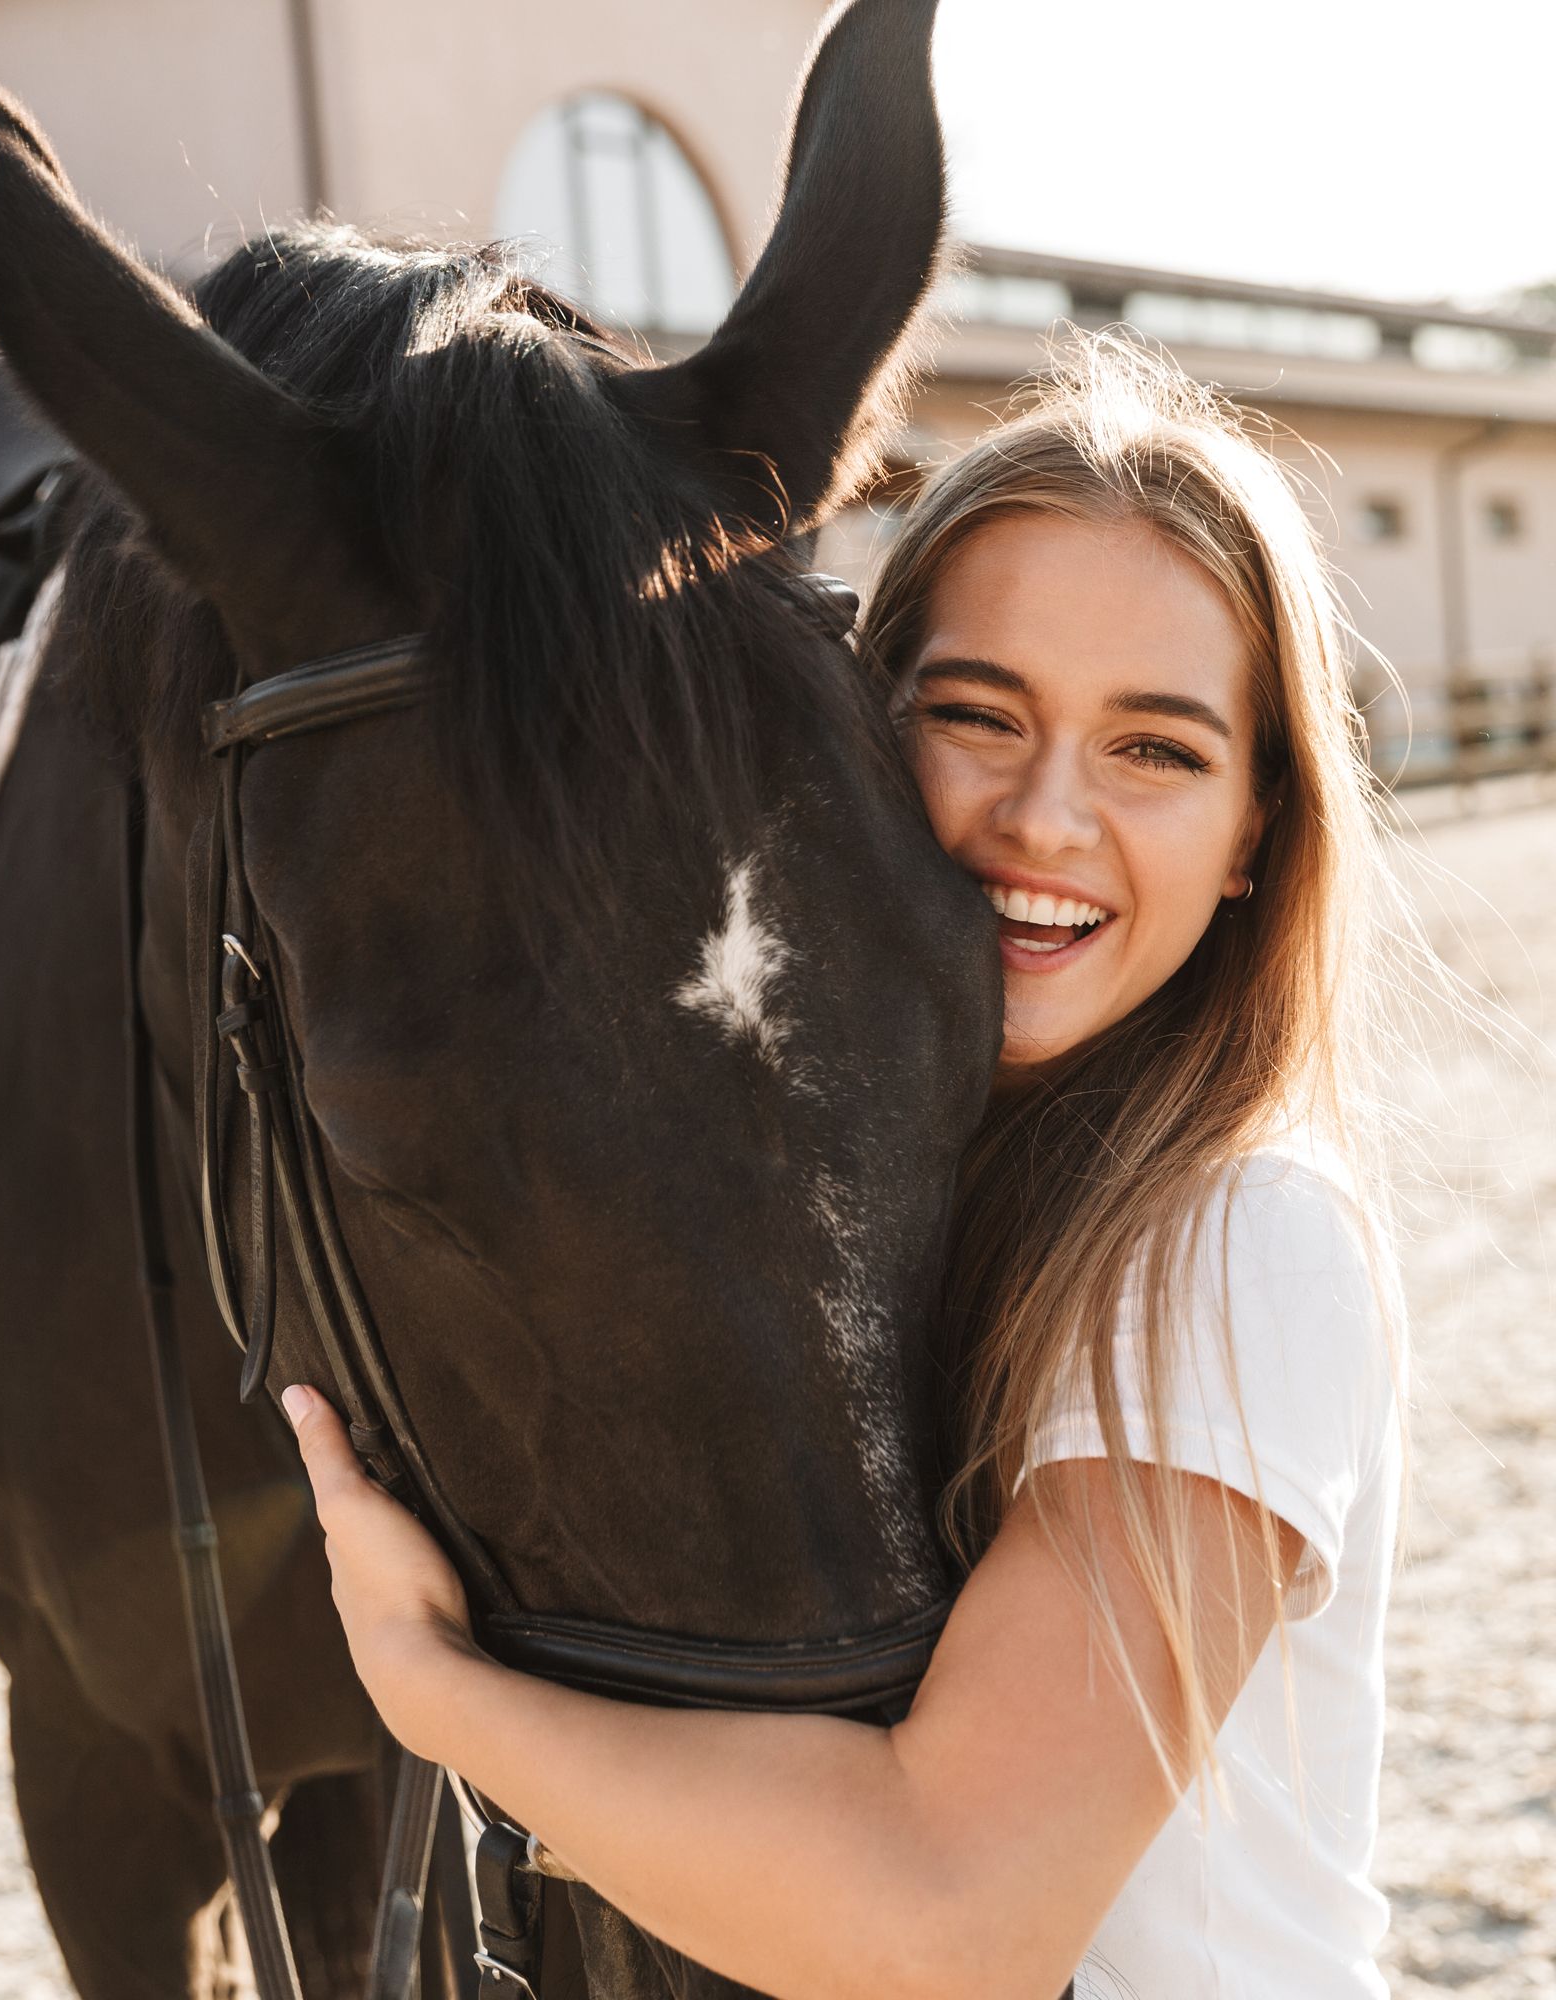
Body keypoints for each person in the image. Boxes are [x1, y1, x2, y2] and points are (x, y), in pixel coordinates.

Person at [283, 338, 1409, 2000]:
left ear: (1257, 831)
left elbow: (949, 1922)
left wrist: (431, 1684)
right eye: (974, 714)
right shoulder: (847, 1191)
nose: (1047, 815)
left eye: (1155, 750)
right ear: (854, 738)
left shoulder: (1233, 1246)